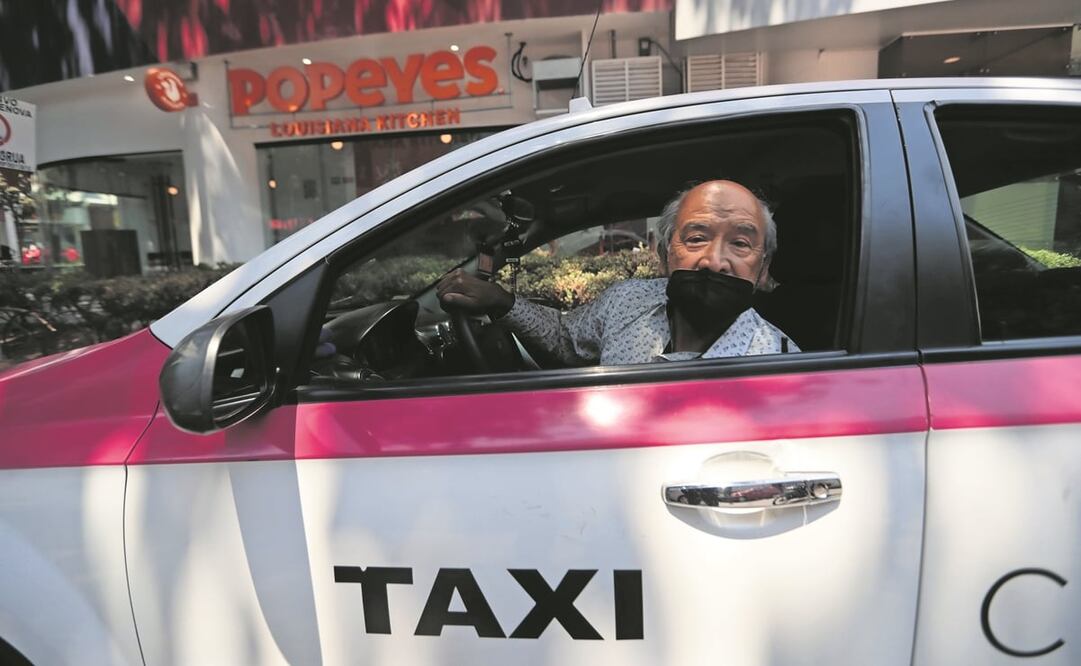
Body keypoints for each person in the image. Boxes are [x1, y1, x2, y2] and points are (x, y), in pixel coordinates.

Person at [436, 179, 798, 365]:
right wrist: (501, 301)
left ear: (763, 270)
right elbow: (566, 339)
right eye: (697, 237)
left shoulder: (782, 363)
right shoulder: (628, 301)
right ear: (664, 255)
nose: (713, 261)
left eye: (740, 244)